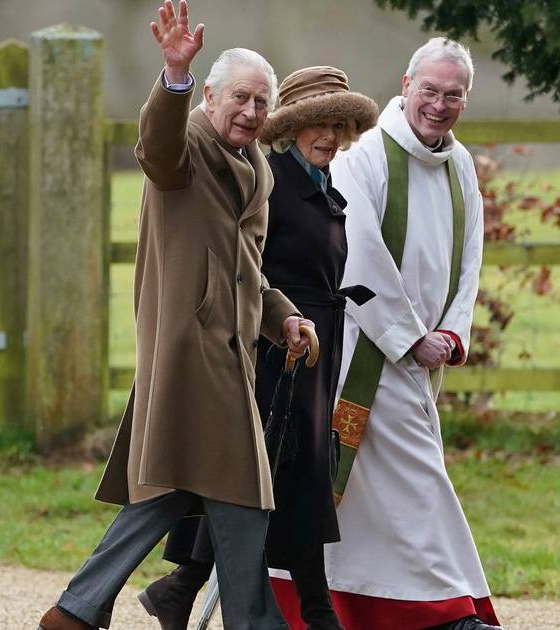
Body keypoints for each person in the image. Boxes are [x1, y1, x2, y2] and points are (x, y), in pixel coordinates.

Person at [36, 2, 312, 629]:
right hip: (191, 351)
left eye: (262, 102)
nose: (250, 112)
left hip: (230, 352)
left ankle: (78, 610)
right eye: (240, 97)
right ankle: (252, 623)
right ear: (210, 97)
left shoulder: (255, 167)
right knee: (241, 489)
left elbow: (246, 268)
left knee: (187, 485)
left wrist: (284, 320)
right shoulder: (185, 144)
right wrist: (173, 76)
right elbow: (154, 147)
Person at [273, 38, 504, 630]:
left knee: (366, 502)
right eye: (429, 90)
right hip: (363, 355)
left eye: (454, 95)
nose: (439, 104)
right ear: (405, 85)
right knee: (417, 479)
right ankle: (452, 611)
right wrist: (408, 337)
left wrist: (451, 334)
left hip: (423, 359)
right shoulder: (367, 156)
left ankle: (337, 610)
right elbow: (356, 256)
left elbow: (471, 256)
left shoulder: (461, 166)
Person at [136, 67, 379, 630]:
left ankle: (181, 587)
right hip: (272, 351)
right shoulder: (271, 180)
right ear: (291, 127)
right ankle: (313, 613)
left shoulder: (322, 186)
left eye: (340, 125)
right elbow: (247, 266)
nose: (330, 135)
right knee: (268, 474)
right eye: (318, 123)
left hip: (312, 342)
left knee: (288, 474)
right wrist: (271, 325)